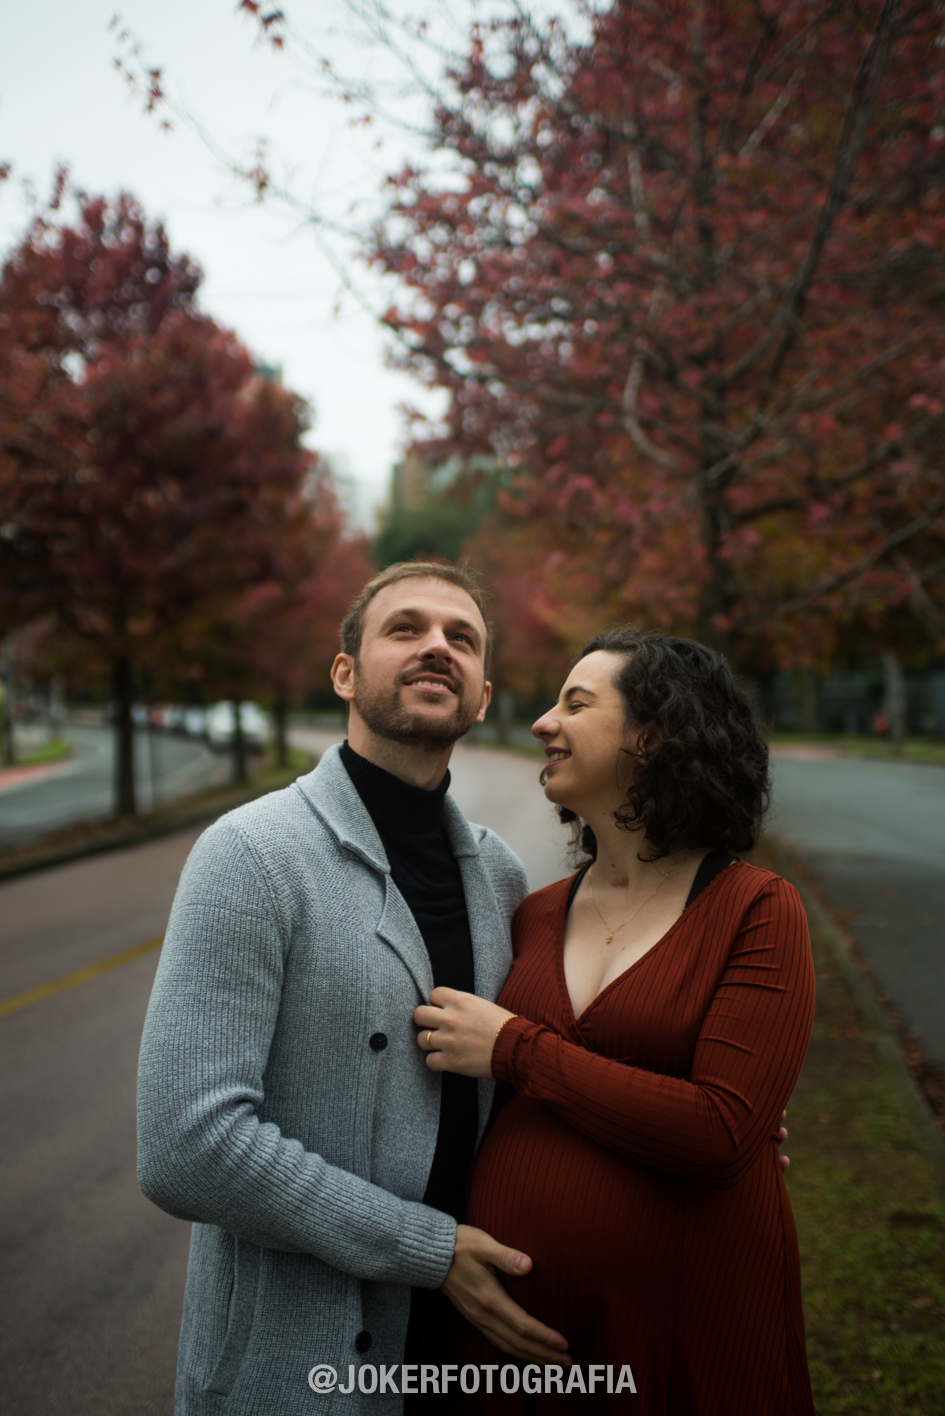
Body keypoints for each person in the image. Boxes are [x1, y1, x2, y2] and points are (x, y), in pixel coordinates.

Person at [137, 561, 568, 1416]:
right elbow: (186, 1147)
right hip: (296, 1365)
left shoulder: (501, 879)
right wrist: (427, 1249)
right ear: (345, 673)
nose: (437, 647)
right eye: (405, 629)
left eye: (463, 638)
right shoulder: (251, 855)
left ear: (484, 697)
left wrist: (687, 1108)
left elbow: (535, 1070)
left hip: (461, 1353)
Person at [415, 630, 816, 1414]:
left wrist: (516, 1049)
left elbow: (720, 1134)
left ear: (654, 733)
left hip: (679, 1329)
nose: (539, 723)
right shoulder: (531, 915)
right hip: (515, 1344)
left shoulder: (756, 910)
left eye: (575, 702)